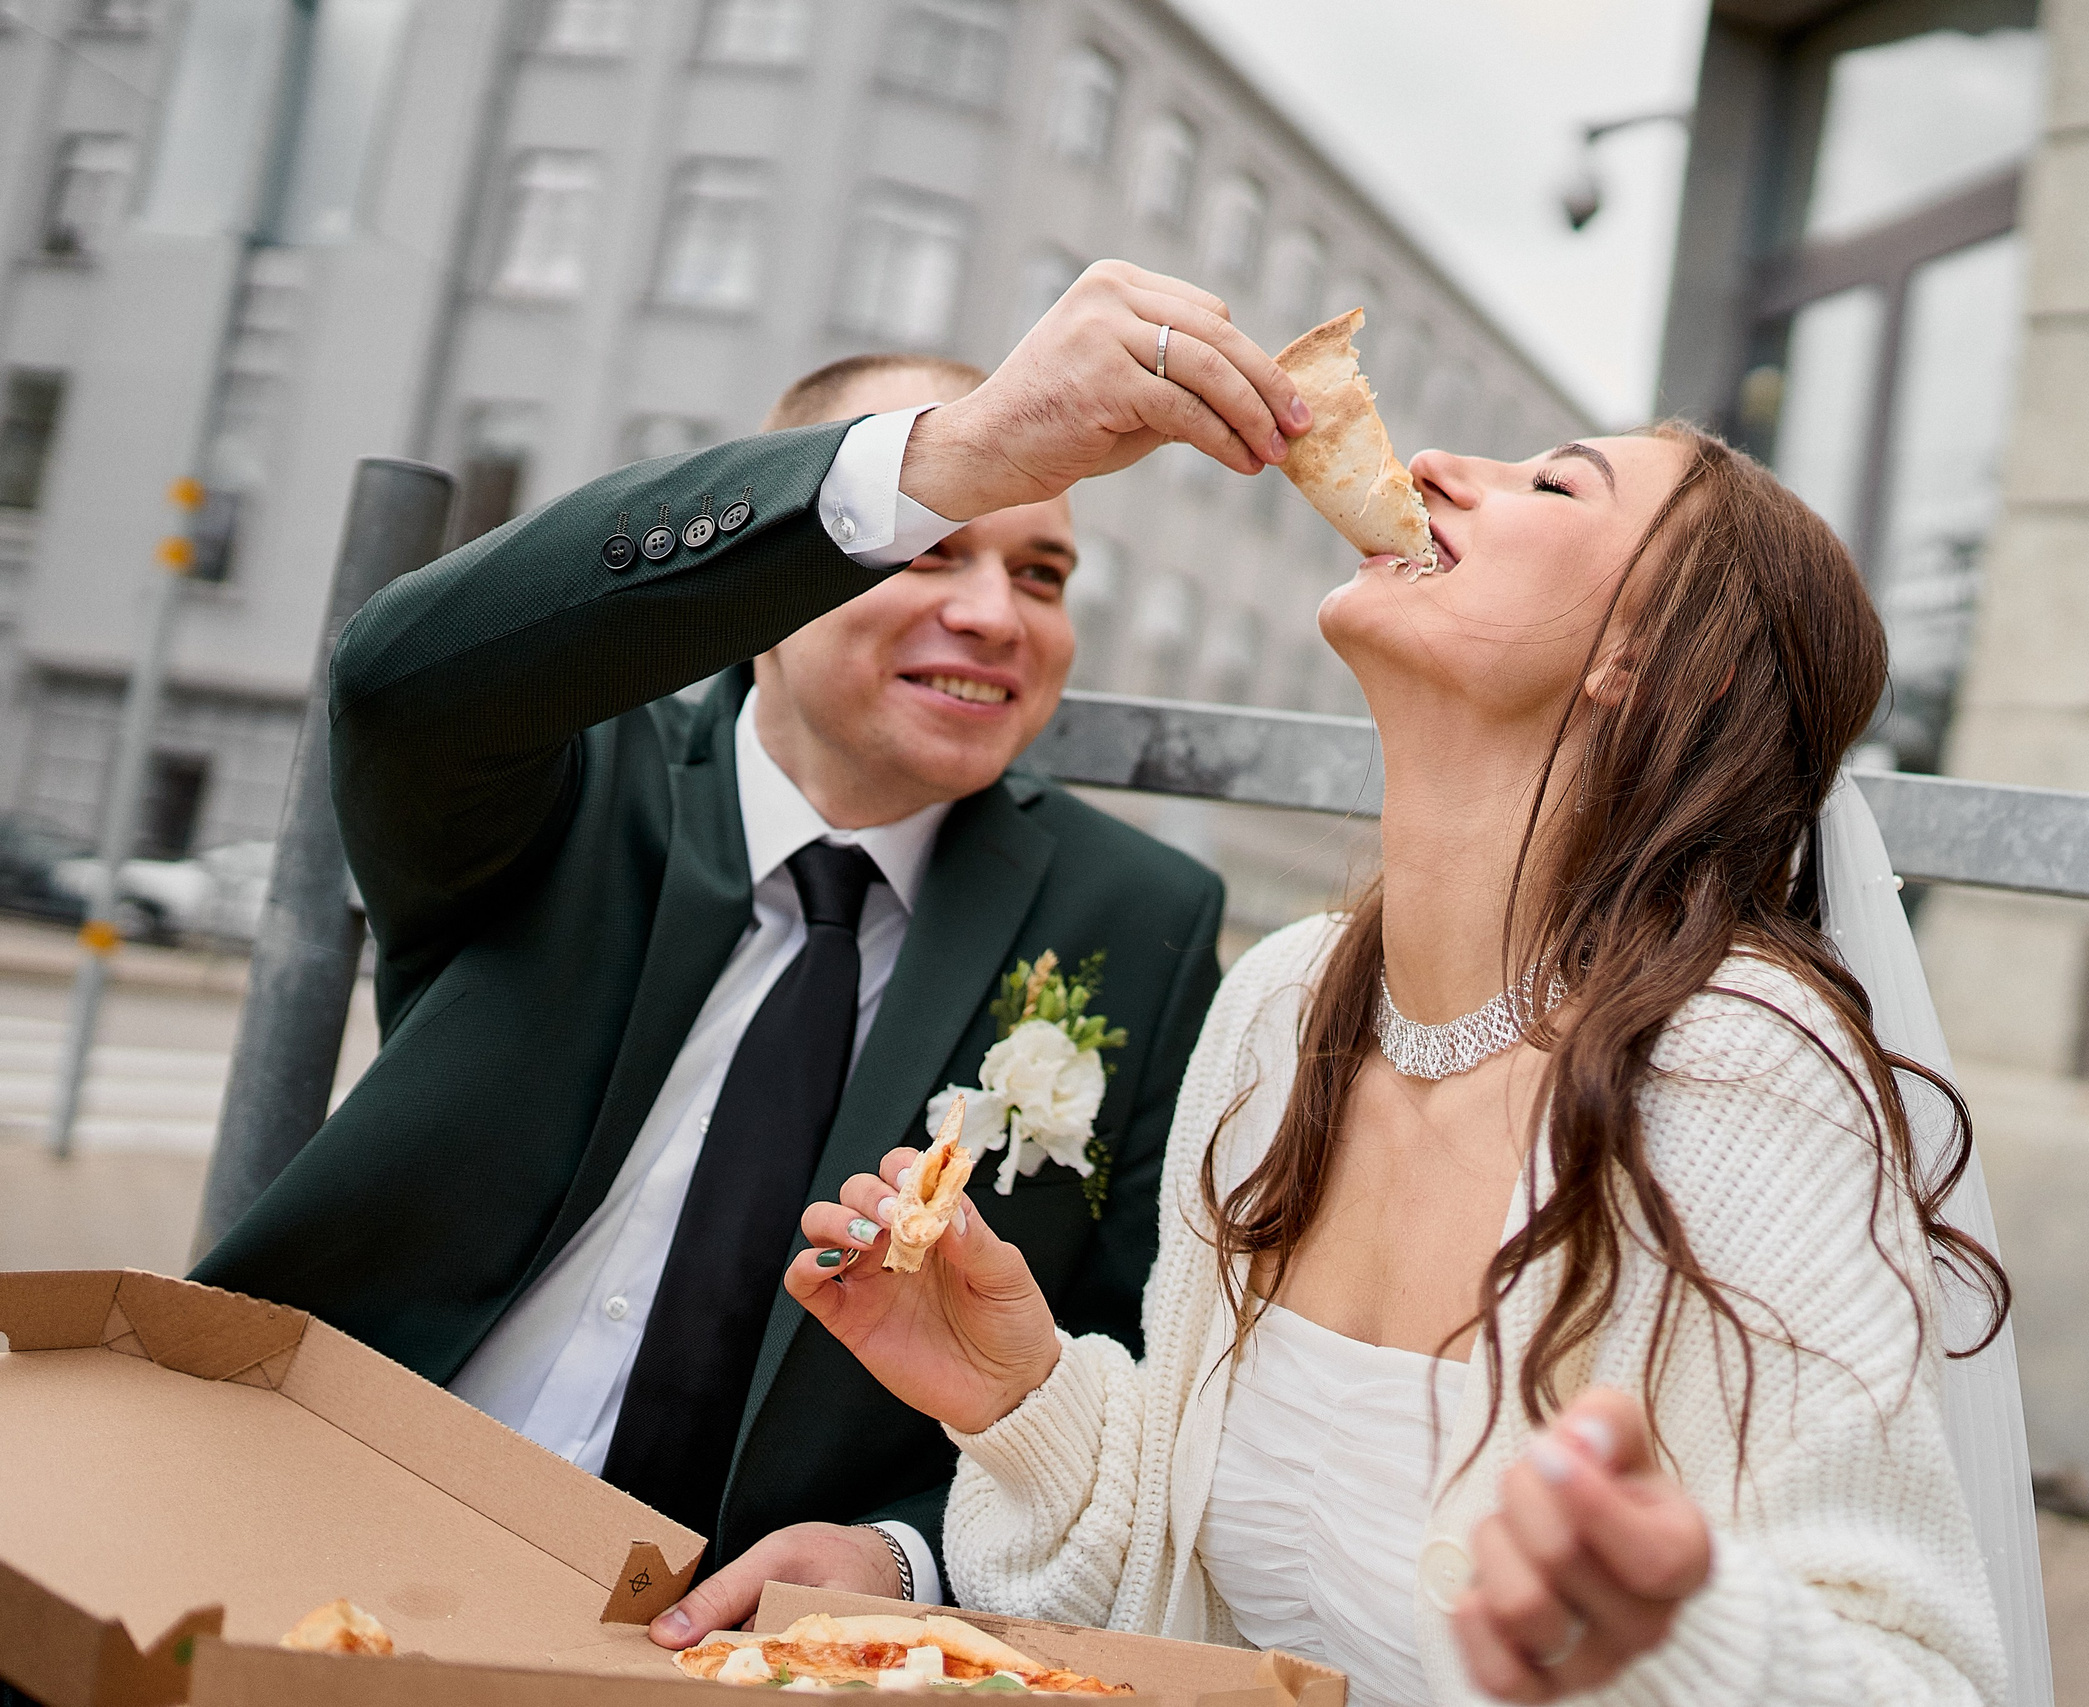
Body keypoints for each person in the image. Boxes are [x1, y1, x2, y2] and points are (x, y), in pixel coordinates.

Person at [788, 423, 2015, 1705]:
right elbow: (1196, 1588)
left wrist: (1675, 1639)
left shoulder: (1732, 1071)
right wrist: (1021, 1400)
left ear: (1652, 664)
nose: (1430, 467)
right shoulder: (1281, 1006)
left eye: (1555, 482)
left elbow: (1912, 1680)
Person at [192, 262, 1313, 1634]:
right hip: (314, 1526)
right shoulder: (568, 776)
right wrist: (953, 455)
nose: (996, 614)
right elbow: (393, 678)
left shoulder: (1135, 914)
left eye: (1043, 572)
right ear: (784, 570)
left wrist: (903, 1557)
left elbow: (1134, 1358)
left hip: (730, 1650)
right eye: (933, 546)